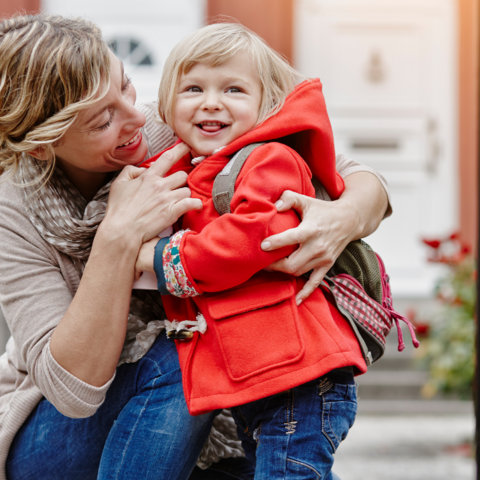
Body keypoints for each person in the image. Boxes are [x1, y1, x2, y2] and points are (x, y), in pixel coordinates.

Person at [0, 13, 390, 480]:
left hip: (202, 407)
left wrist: (341, 220)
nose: (136, 117)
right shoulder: (13, 213)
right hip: (52, 436)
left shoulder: (175, 129)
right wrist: (116, 240)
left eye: (125, 87)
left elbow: (352, 175)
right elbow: (74, 393)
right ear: (42, 147)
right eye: (104, 120)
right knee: (186, 343)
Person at [137, 23, 379, 479]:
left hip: (300, 379)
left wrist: (161, 257)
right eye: (193, 88)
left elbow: (256, 236)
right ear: (167, 105)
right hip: (264, 375)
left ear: (265, 106)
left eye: (233, 89)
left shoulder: (269, 159)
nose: (211, 101)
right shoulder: (193, 169)